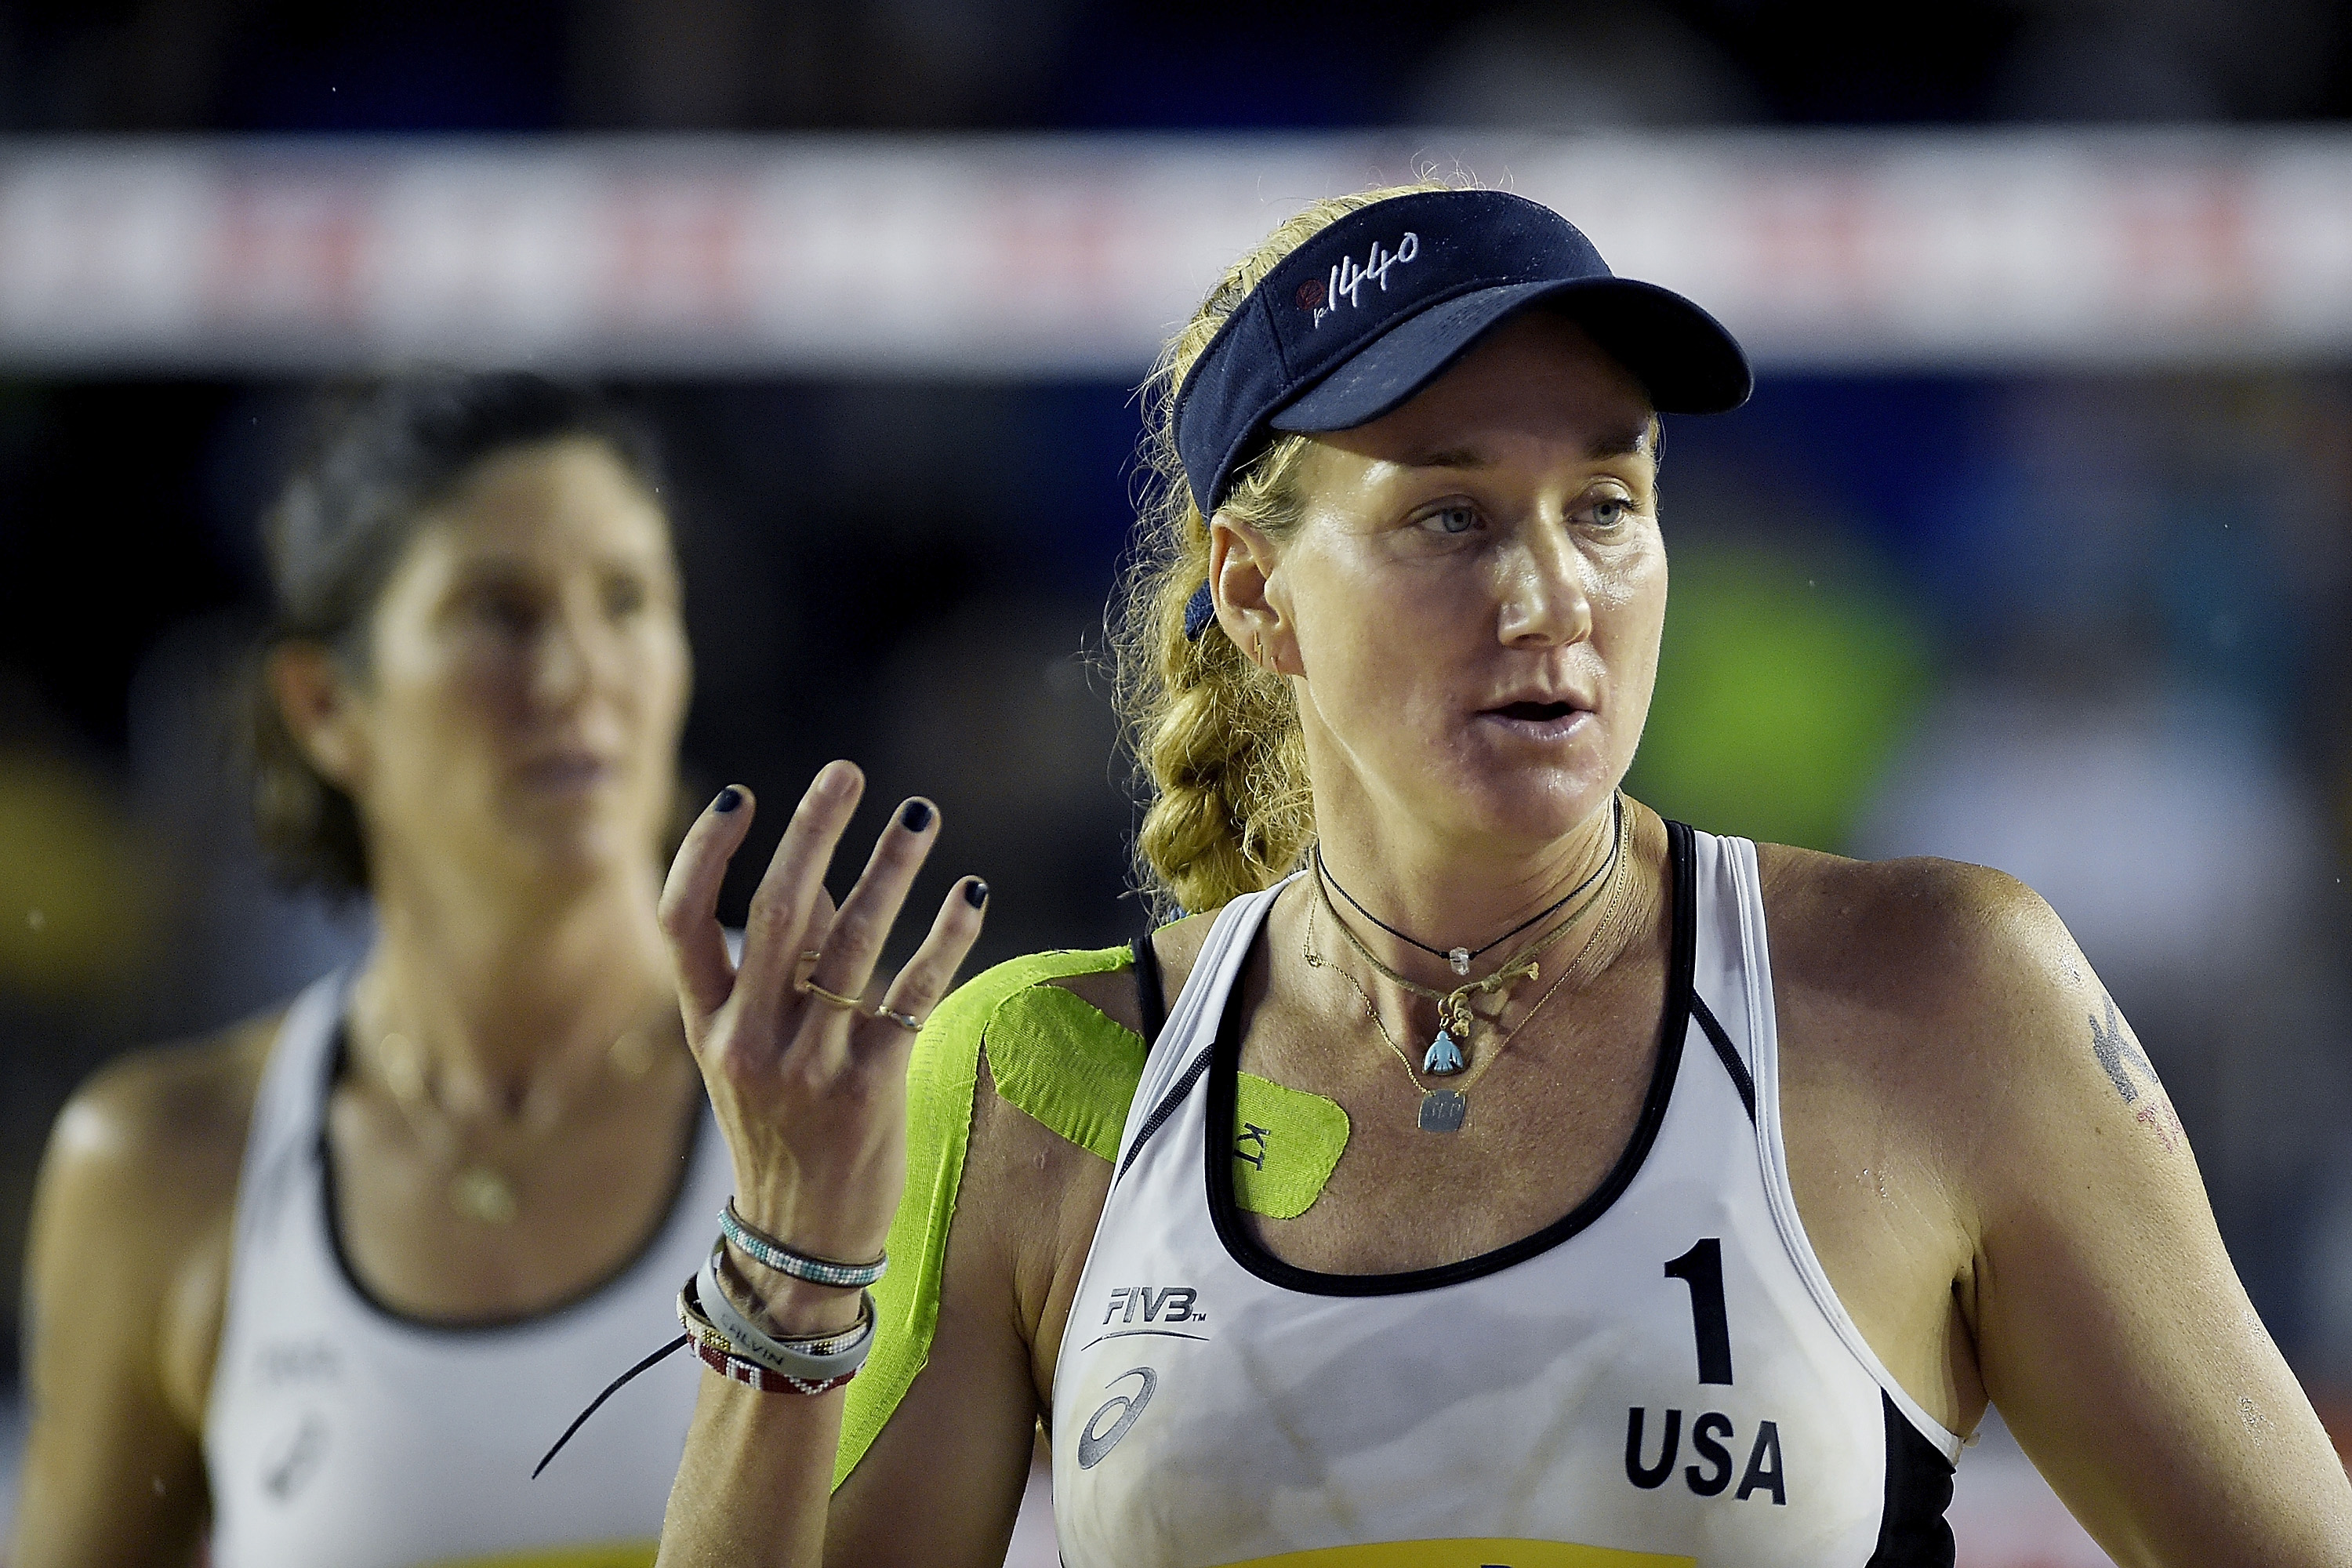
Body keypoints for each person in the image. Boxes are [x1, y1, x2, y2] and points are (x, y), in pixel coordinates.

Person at [648, 184, 2352, 1566]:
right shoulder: (1046, 1081)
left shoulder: (1936, 999)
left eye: (1607, 502)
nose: (1553, 595)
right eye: (1452, 517)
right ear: (1255, 592)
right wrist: (795, 1248)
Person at [15, 373, 725, 1567]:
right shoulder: (167, 1169)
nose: (576, 674)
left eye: (626, 601)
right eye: (500, 613)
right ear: (327, 704)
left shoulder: (883, 1100)